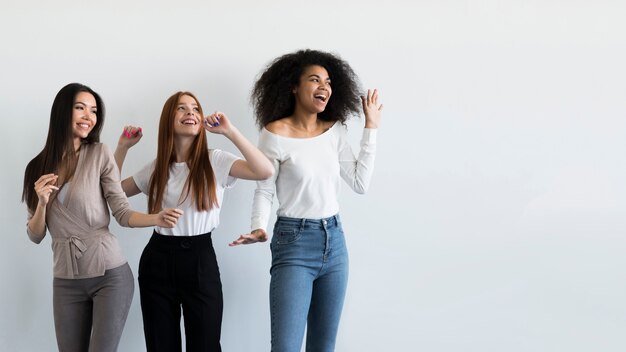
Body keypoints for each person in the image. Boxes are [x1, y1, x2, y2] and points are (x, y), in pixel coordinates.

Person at [230, 49, 383, 352]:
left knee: (323, 347)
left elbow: (360, 182)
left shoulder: (334, 130)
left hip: (335, 243)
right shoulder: (275, 133)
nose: (324, 86)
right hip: (294, 242)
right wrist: (259, 227)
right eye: (314, 80)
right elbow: (264, 188)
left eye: (327, 81)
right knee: (286, 347)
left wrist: (371, 127)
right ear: (293, 87)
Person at [22, 83, 183, 352]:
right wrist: (41, 203)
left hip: (110, 275)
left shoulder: (99, 154)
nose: (89, 116)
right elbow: (35, 234)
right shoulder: (35, 168)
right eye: (80, 108)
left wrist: (156, 217)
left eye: (94, 111)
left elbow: (121, 212)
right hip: (65, 280)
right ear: (62, 111)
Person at [114, 91, 274, 351]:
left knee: (206, 345)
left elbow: (264, 170)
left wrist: (230, 131)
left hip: (200, 259)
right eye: (182, 108)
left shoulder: (216, 160)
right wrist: (121, 148)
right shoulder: (156, 168)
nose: (190, 113)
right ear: (169, 119)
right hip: (158, 260)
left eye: (195, 109)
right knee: (161, 345)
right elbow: (111, 192)